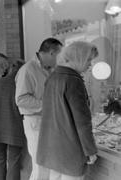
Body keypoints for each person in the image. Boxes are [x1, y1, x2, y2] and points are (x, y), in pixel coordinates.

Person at [37, 41, 98, 180]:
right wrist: (90, 150)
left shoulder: (53, 76)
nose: (90, 64)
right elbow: (82, 122)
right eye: (88, 59)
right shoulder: (73, 80)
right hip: (70, 148)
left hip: (52, 146)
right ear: (79, 57)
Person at [15, 38, 63, 180]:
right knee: (40, 166)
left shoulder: (50, 69)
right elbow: (21, 99)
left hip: (49, 122)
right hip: (35, 122)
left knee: (50, 166)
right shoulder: (28, 69)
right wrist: (48, 104)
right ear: (51, 53)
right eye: (59, 54)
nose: (60, 59)